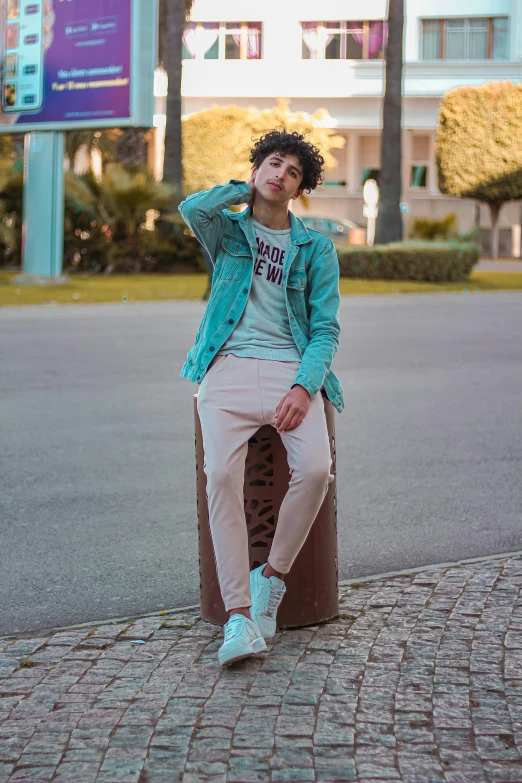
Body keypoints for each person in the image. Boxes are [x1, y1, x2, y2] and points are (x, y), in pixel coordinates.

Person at [179, 128, 344, 666]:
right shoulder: (227, 234)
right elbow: (191, 207)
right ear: (256, 171)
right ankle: (239, 619)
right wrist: (240, 188)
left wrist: (304, 385)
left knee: (317, 469)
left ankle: (270, 578)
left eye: (293, 172)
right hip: (225, 367)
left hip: (287, 369)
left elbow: (325, 330)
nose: (280, 175)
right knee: (220, 478)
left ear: (300, 189)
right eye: (273, 164)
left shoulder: (315, 247)